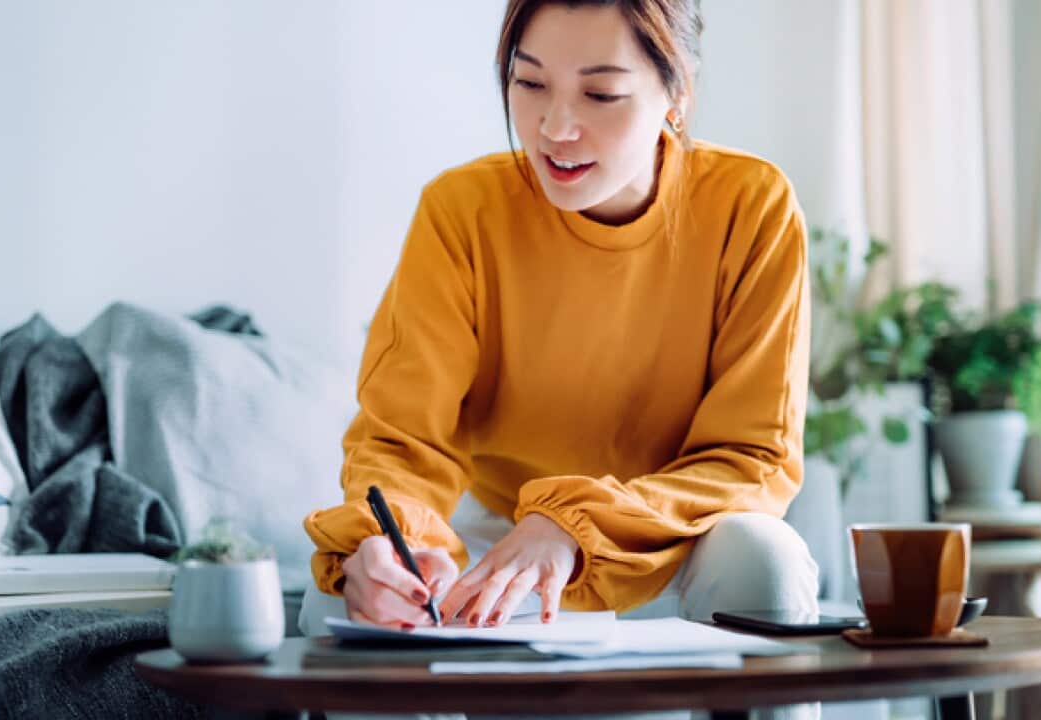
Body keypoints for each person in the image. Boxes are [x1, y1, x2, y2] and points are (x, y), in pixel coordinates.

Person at [301, 1, 819, 718]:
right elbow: (402, 442)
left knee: (767, 555)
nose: (555, 128)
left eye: (601, 93)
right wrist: (400, 548)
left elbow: (752, 458)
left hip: (674, 544)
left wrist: (577, 527)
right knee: (343, 592)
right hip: (498, 544)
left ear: (678, 92)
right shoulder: (462, 211)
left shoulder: (750, 206)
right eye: (529, 83)